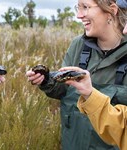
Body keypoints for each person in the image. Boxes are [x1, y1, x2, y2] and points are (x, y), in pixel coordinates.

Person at [26, 0, 127, 150]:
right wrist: (47, 80)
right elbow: (64, 89)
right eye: (78, 8)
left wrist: (90, 94)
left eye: (85, 7)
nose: (79, 15)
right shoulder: (78, 46)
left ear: (112, 11)